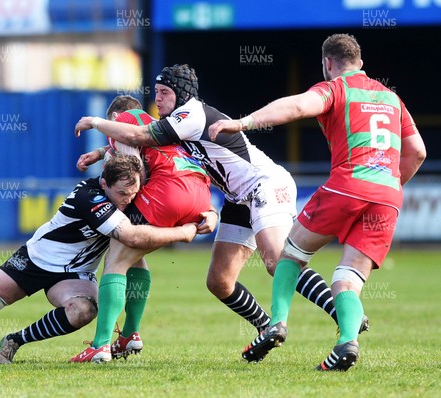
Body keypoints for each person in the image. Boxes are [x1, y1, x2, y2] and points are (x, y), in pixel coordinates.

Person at [74, 64, 362, 357]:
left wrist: (96, 123)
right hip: (237, 198)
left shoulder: (190, 115)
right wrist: (100, 153)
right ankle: (265, 326)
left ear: (182, 94)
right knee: (219, 281)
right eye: (156, 92)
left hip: (263, 183)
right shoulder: (178, 121)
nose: (157, 99)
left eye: (164, 93)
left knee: (277, 260)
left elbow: (139, 136)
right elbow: (154, 149)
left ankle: (344, 315)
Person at [209, 33, 426, 371]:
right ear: (361, 62)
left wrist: (243, 122)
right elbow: (418, 152)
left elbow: (296, 107)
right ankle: (346, 343)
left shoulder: (336, 88)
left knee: (290, 254)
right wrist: (390, 183)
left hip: (348, 184)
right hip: (388, 196)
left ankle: (277, 322)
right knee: (347, 279)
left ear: (328, 63)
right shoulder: (392, 99)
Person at [0, 154, 201, 365]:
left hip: (74, 275)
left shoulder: (125, 195)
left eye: (133, 196)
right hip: (33, 261)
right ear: (104, 184)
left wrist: (207, 214)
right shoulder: (90, 197)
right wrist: (185, 234)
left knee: (84, 311)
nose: (128, 202)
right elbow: (131, 237)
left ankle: (14, 340)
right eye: (122, 196)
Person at [69, 95, 216, 363]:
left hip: (167, 193)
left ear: (114, 118)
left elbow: (132, 170)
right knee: (135, 258)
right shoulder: (161, 125)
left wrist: (122, 208)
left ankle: (100, 345)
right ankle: (129, 335)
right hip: (200, 195)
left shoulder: (123, 122)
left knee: (116, 257)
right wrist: (103, 152)